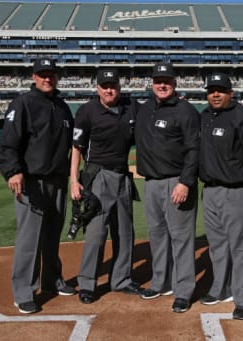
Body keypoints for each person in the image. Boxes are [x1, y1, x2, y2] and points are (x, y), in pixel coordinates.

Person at [0, 58, 76, 314]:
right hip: (32, 180)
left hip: (58, 181)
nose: (47, 78)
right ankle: (24, 292)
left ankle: (52, 281)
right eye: (42, 74)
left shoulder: (63, 107)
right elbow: (8, 143)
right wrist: (13, 171)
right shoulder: (23, 103)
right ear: (34, 76)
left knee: (52, 237)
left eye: (51, 74)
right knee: (30, 240)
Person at [199, 72, 243, 320]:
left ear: (230, 93)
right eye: (211, 90)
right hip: (210, 191)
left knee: (239, 248)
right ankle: (220, 289)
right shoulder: (204, 117)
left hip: (237, 191)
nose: (215, 94)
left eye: (220, 90)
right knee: (217, 246)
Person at [70, 69, 143, 304]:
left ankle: (121, 279)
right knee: (96, 233)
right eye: (104, 86)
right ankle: (88, 284)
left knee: (124, 231)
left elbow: (152, 113)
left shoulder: (131, 106)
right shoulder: (87, 111)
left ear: (119, 88)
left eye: (113, 86)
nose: (109, 90)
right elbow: (76, 149)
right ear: (97, 88)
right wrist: (74, 180)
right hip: (98, 175)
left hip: (123, 176)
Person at [135, 62, 200, 313]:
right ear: (151, 83)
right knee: (157, 236)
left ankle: (183, 290)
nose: (162, 84)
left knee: (181, 238)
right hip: (151, 182)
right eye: (158, 80)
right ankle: (160, 282)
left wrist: (185, 182)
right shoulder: (145, 109)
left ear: (175, 83)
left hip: (177, 181)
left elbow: (195, 148)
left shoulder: (186, 111)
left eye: (167, 81)